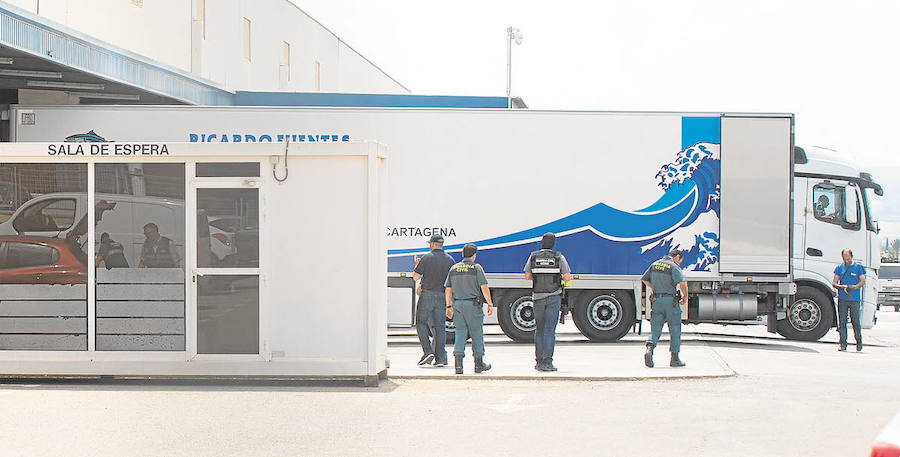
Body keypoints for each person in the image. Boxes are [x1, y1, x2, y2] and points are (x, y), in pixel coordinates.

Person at [523, 232, 572, 372]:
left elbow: (527, 276)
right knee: (550, 330)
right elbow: (567, 277)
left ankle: (538, 362)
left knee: (539, 329)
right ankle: (548, 362)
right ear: (553, 243)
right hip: (553, 297)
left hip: (537, 297)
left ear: (542, 242)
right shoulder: (558, 257)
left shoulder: (533, 256)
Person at [445, 243, 494, 374]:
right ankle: (478, 364)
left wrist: (449, 305)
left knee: (460, 333)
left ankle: (458, 366)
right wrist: (490, 303)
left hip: (458, 305)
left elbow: (448, 289)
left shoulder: (454, 268)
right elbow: (484, 287)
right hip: (472, 306)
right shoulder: (476, 268)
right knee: (476, 333)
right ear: (474, 255)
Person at [412, 234, 456, 367]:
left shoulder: (427, 257)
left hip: (427, 295)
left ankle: (427, 351)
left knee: (420, 323)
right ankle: (440, 359)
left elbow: (415, 277)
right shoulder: (450, 260)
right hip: (442, 296)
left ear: (432, 244)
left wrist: (418, 265)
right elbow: (451, 283)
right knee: (440, 328)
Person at [642, 248, 689, 368]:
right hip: (670, 302)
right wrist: (685, 297)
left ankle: (649, 349)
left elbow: (644, 279)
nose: (680, 262)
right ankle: (675, 359)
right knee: (675, 329)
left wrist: (654, 288)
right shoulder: (673, 266)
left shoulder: (655, 264)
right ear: (677, 257)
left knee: (655, 329)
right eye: (680, 260)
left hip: (657, 300)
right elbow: (682, 283)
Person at [832, 248, 866, 352]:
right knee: (842, 322)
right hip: (843, 298)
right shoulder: (839, 268)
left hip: (855, 299)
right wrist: (841, 287)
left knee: (855, 321)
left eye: (848, 258)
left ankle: (859, 341)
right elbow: (834, 282)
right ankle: (843, 343)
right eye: (844, 258)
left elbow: (863, 281)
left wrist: (854, 287)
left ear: (852, 256)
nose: (847, 260)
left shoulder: (858, 267)